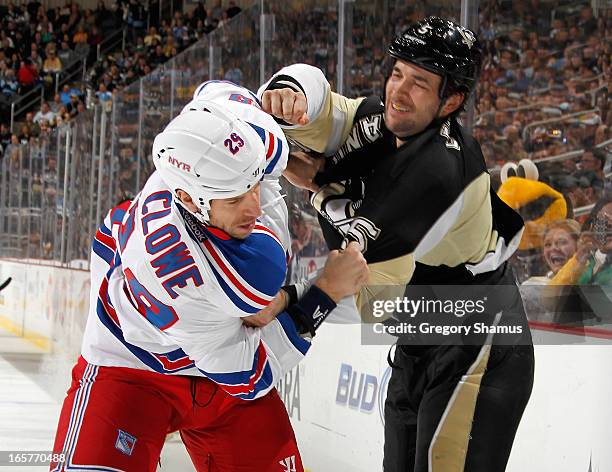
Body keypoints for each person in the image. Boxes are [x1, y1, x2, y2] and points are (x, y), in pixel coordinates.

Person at [259, 16, 535, 472]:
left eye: (420, 83)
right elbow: (328, 111)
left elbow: (362, 279)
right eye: (397, 73)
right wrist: (290, 93)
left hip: (480, 340)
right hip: (422, 340)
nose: (398, 91)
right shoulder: (388, 119)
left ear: (452, 101)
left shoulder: (440, 173)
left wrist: (321, 190)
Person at [50, 104, 368, 471]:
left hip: (208, 358)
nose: (254, 206)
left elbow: (218, 97)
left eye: (253, 186)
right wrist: (325, 291)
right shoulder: (181, 278)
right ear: (187, 199)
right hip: (132, 367)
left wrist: (287, 102)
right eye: (235, 198)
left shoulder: (208, 166)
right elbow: (248, 374)